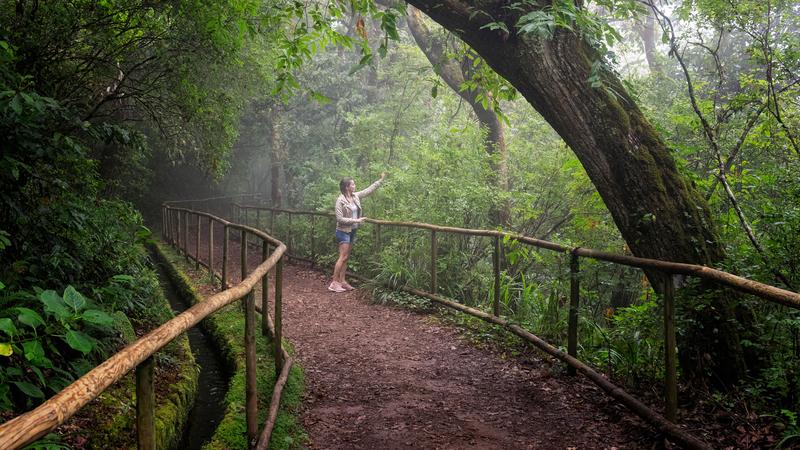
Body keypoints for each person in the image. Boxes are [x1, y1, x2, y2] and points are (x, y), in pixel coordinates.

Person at [329, 172, 387, 292]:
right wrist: (356, 220)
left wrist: (380, 181)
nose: (355, 186)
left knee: (346, 257)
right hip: (343, 231)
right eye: (353, 184)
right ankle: (334, 282)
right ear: (347, 187)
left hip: (352, 230)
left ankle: (342, 281)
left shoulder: (355, 196)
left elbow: (368, 191)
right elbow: (339, 218)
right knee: (342, 256)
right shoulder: (340, 200)